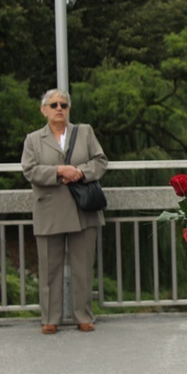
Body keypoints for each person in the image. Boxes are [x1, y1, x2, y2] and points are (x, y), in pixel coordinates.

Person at [21, 89, 107, 335]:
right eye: (54, 105)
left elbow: (100, 161)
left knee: (83, 267)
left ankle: (84, 316)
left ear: (69, 109)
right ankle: (50, 318)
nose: (59, 108)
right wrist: (59, 171)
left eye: (64, 105)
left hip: (83, 210)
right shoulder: (33, 139)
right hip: (49, 210)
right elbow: (30, 170)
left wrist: (80, 172)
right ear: (44, 110)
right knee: (49, 268)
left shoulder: (85, 132)